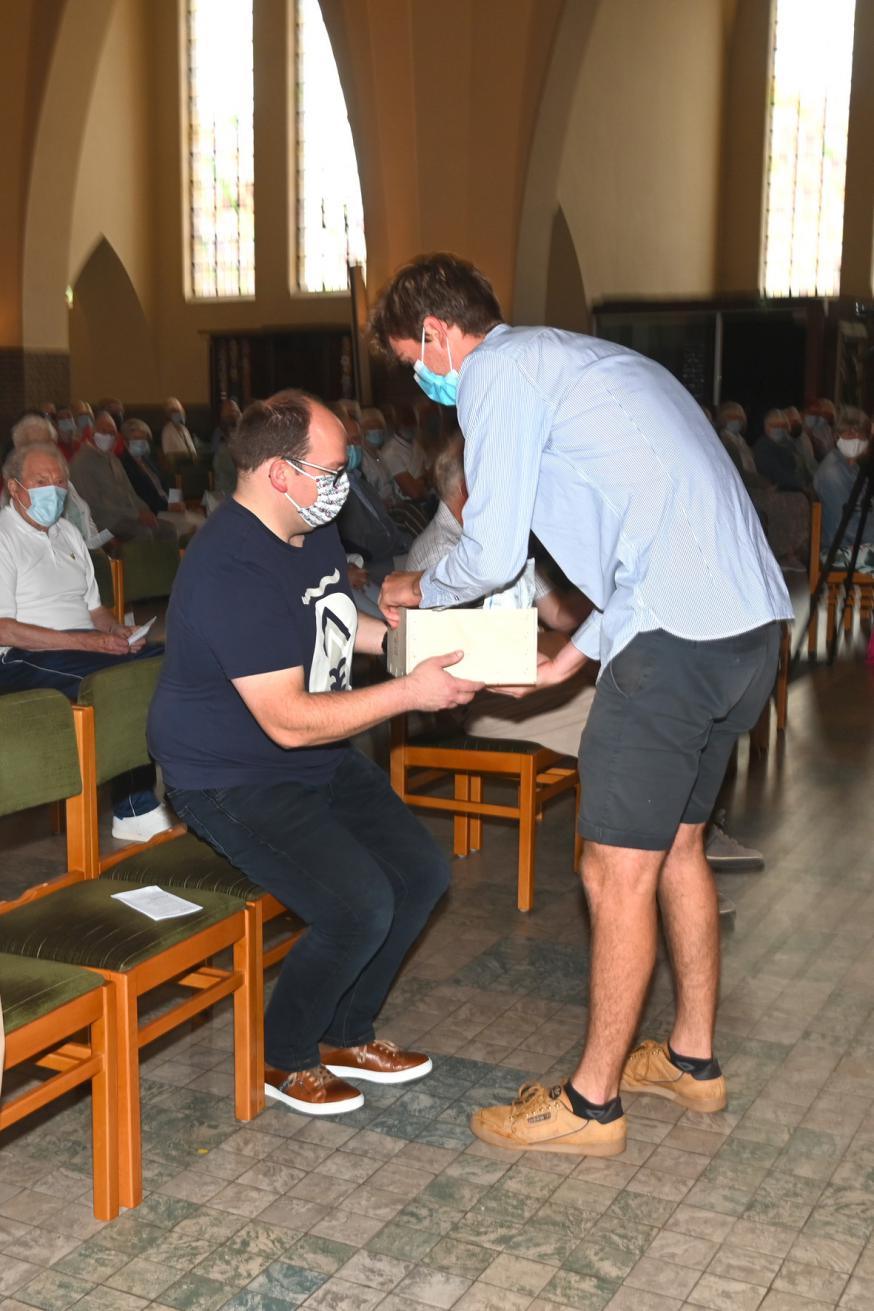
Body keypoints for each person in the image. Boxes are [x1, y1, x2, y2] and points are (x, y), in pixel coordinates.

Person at [372, 252, 792, 1156]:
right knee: (679, 847)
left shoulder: (495, 373)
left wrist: (411, 585)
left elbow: (486, 554)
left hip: (676, 641)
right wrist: (568, 659)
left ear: (442, 333)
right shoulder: (584, 362)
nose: (422, 377)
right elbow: (651, 535)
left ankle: (592, 1104)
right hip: (745, 629)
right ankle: (691, 1059)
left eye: (414, 357)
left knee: (612, 870)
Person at [147, 389, 482, 1115]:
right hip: (232, 775)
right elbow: (288, 720)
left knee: (421, 873)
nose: (346, 483)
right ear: (278, 473)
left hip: (311, 757)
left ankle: (346, 1032)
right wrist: (409, 692)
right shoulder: (230, 565)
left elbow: (331, 624)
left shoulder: (307, 527)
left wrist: (400, 642)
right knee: (357, 903)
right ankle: (286, 1054)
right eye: (334, 470)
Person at [410, 433, 764, 872]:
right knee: (631, 716)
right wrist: (549, 645)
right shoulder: (438, 554)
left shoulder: (496, 546)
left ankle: (680, 843)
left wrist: (608, 589)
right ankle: (668, 854)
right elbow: (459, 653)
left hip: (528, 681)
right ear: (470, 490)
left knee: (648, 705)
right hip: (484, 702)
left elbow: (557, 615)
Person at [0, 443, 172, 841]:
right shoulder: (5, 538)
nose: (54, 489)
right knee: (117, 682)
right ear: (15, 488)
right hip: (19, 657)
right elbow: (4, 629)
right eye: (41, 482)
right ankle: (133, 809)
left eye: (60, 481)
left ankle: (185, 785)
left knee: (166, 663)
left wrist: (114, 631)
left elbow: (95, 609)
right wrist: (90, 644)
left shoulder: (69, 533)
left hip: (80, 648)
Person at [5, 413, 110, 550]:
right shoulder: (17, 490)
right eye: (33, 446)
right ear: (19, 450)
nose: (43, 452)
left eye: (47, 444)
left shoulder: (61, 481)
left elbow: (84, 516)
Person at [71, 412, 176, 543]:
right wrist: (136, 515)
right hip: (103, 521)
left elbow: (130, 492)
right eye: (103, 431)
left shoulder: (113, 460)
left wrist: (144, 510)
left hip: (126, 517)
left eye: (112, 433)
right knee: (143, 533)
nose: (108, 436)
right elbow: (93, 505)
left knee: (168, 529)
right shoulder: (82, 462)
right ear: (93, 432)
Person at [119, 418, 204, 539]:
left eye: (144, 439)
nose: (141, 442)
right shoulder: (125, 465)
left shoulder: (147, 460)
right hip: (155, 511)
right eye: (136, 439)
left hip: (168, 505)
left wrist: (177, 502)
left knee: (203, 519)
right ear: (126, 442)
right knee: (195, 526)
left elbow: (165, 483)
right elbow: (140, 496)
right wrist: (168, 506)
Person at [813, 407, 874, 573]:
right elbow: (846, 527)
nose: (855, 438)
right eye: (848, 434)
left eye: (859, 434)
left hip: (858, 543)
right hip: (840, 551)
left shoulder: (853, 468)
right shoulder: (832, 473)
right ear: (836, 436)